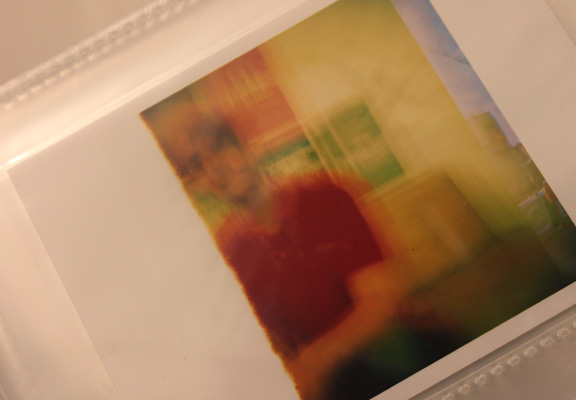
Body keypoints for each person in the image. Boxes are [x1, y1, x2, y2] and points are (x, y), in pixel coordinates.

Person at [163, 105, 460, 400]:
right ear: (196, 185)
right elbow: (275, 345)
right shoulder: (230, 250)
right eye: (196, 164)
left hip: (401, 359)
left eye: (219, 147)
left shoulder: (327, 196)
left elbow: (381, 302)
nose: (214, 168)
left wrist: (315, 364)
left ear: (245, 144)